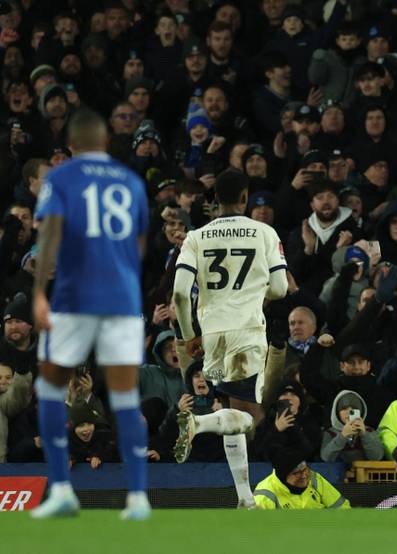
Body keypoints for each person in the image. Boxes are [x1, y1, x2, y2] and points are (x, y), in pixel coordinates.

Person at [30, 108, 151, 519]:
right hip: (123, 300)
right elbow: (138, 245)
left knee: (49, 389)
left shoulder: (61, 177)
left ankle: (62, 489)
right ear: (106, 142)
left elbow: (49, 233)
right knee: (124, 397)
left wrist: (38, 293)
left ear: (71, 147)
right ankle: (137, 497)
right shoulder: (132, 182)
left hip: (73, 298)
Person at [172, 169, 289, 508]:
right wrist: (256, 294)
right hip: (248, 331)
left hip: (211, 335)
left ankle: (244, 499)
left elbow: (180, 293)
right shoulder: (264, 232)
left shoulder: (196, 236)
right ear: (245, 197)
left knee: (232, 410)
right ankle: (198, 422)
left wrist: (189, 333)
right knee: (249, 415)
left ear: (214, 201)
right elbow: (280, 288)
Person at [253, 447, 350, 510]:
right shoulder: (265, 494)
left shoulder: (314, 478)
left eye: (305, 469)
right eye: (297, 473)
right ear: (283, 476)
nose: (304, 476)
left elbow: (342, 508)